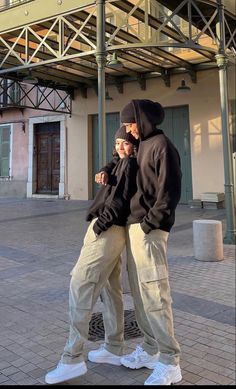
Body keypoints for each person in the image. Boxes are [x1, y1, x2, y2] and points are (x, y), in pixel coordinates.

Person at [94, 99, 182, 386]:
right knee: (141, 294)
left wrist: (148, 224)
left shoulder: (161, 145)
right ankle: (150, 347)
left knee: (155, 293)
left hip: (149, 230)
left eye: (130, 123)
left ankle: (170, 361)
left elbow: (169, 190)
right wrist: (109, 168)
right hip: (134, 228)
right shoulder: (140, 145)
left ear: (142, 120)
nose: (127, 129)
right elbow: (119, 160)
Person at [45, 126, 138, 384]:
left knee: (80, 285)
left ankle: (72, 358)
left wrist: (99, 225)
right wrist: (106, 169)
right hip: (113, 231)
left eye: (126, 142)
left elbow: (120, 200)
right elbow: (115, 166)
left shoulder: (129, 165)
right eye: (118, 142)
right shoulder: (120, 163)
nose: (121, 147)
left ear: (135, 144)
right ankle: (114, 346)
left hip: (107, 230)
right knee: (111, 289)